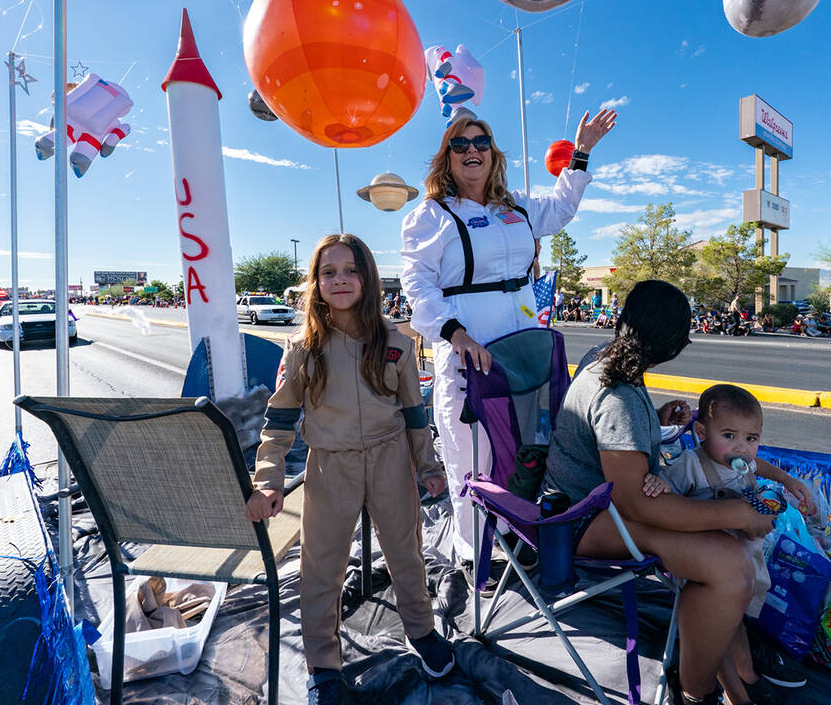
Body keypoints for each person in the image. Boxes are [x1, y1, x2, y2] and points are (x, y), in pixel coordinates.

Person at [542, 281, 801, 705]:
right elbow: (636, 502)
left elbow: (611, 439)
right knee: (730, 567)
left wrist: (654, 423)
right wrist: (737, 514)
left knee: (727, 556)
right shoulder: (618, 393)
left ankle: (732, 671)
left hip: (599, 503)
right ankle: (696, 692)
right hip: (579, 519)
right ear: (672, 344)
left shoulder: (607, 359)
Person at [400, 109, 616, 563]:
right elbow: (417, 285)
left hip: (523, 351)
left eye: (480, 142)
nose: (472, 150)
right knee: (471, 460)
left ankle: (516, 540)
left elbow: (560, 210)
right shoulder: (430, 216)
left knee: (524, 451)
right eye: (461, 144)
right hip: (468, 355)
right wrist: (454, 334)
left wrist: (581, 154)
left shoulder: (516, 207)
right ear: (447, 158)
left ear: (493, 154)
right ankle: (474, 556)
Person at [247, 234, 455, 705]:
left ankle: (421, 632)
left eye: (350, 270)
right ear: (316, 283)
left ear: (368, 278)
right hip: (330, 466)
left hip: (390, 460)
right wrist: (268, 480)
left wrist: (427, 464)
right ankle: (324, 664)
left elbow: (413, 411)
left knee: (406, 551)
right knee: (322, 566)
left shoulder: (397, 342)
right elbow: (279, 417)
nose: (340, 280)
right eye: (328, 272)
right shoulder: (303, 347)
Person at [642, 384, 814, 705]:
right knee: (719, 624)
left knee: (737, 619)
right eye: (730, 436)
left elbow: (757, 466)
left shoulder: (742, 462)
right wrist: (658, 481)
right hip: (706, 565)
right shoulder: (691, 465)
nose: (741, 449)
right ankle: (734, 691)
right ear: (703, 432)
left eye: (751, 439)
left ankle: (745, 675)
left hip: (744, 556)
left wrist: (787, 481)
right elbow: (668, 485)